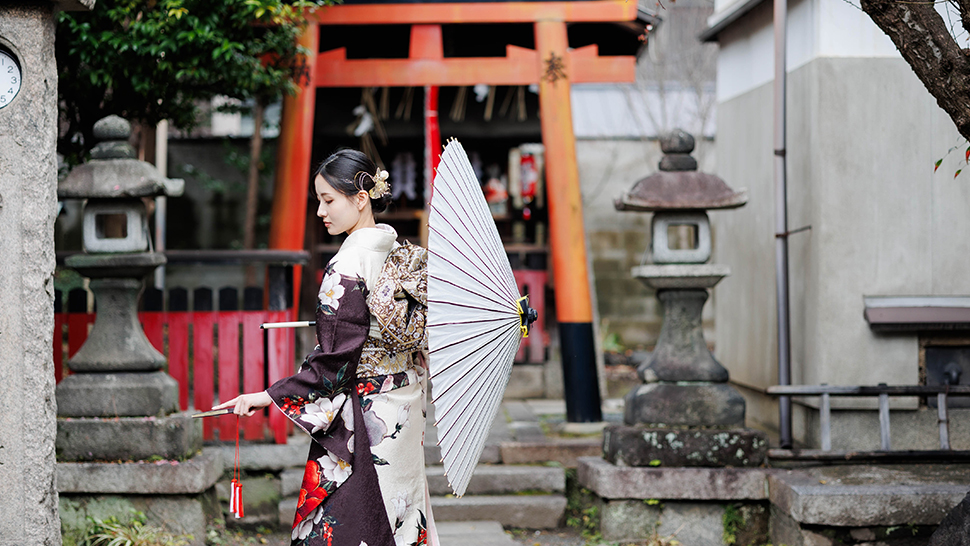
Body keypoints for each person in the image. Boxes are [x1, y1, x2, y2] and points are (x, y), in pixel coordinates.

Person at [213, 149, 437, 546]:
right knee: (399, 516)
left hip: (367, 416)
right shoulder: (398, 252)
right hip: (404, 404)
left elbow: (334, 362)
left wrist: (267, 395)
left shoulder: (347, 266)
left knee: (355, 523)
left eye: (329, 200)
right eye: (319, 200)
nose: (320, 211)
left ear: (361, 197)